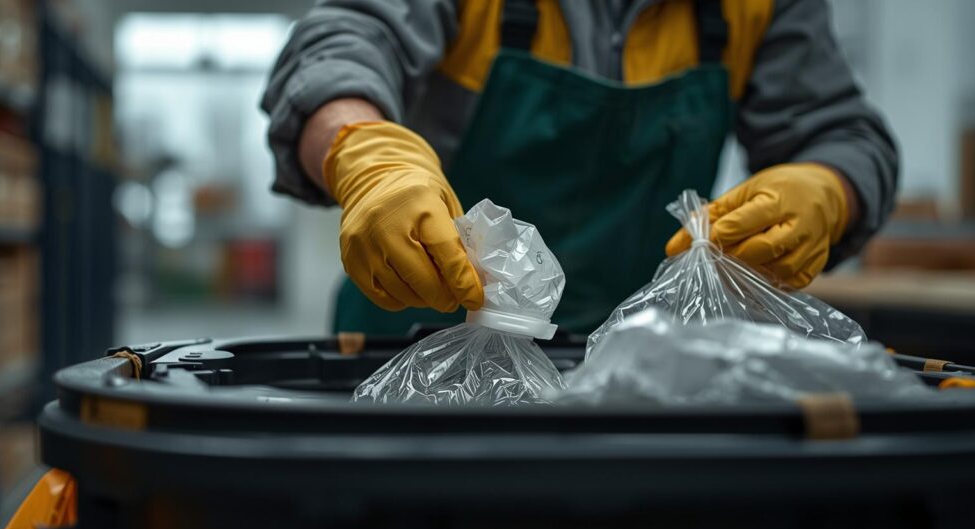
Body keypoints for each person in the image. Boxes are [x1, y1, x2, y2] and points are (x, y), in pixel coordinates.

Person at [261, 0, 897, 336]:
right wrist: (370, 159)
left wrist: (828, 187)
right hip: (414, 349)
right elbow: (337, 48)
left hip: (633, 375)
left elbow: (844, 133)